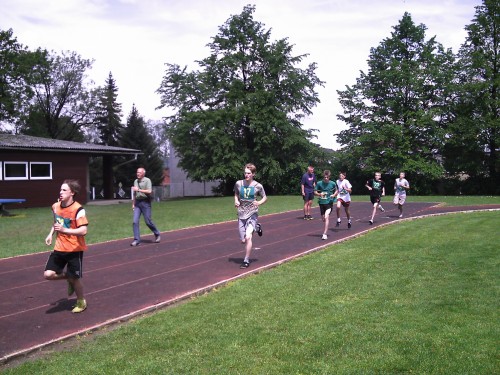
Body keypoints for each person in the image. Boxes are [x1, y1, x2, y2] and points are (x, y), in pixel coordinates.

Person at [44, 180, 89, 313]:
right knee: (48, 274)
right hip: (59, 247)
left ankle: (81, 302)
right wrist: (50, 234)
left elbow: (83, 231)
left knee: (76, 278)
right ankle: (69, 278)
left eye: (64, 190)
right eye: (60, 190)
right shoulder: (55, 206)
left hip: (75, 249)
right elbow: (56, 222)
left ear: (72, 193)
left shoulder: (78, 209)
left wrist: (64, 230)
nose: (61, 192)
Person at [234, 163, 267, 269]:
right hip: (241, 214)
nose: (246, 175)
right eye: (245, 173)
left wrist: (259, 203)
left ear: (253, 174)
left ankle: (246, 260)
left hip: (252, 213)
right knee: (243, 240)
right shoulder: (239, 183)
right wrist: (236, 201)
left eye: (248, 173)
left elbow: (265, 197)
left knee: (248, 237)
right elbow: (236, 194)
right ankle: (257, 227)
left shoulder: (258, 186)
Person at [131, 167, 161, 246]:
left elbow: (149, 191)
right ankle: (137, 240)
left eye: (139, 172)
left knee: (148, 221)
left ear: (143, 173)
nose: (138, 174)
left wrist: (139, 190)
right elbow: (134, 193)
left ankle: (157, 233)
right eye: (137, 172)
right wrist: (133, 203)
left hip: (145, 203)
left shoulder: (147, 180)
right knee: (135, 221)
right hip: (137, 203)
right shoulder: (135, 181)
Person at [314, 170, 338, 240]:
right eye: (325, 177)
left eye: (327, 177)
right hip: (321, 203)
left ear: (329, 177)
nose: (326, 178)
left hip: (329, 202)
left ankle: (325, 234)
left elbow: (337, 190)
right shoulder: (319, 183)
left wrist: (334, 195)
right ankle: (325, 230)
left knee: (327, 216)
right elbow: (315, 192)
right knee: (323, 218)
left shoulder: (333, 183)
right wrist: (319, 194)